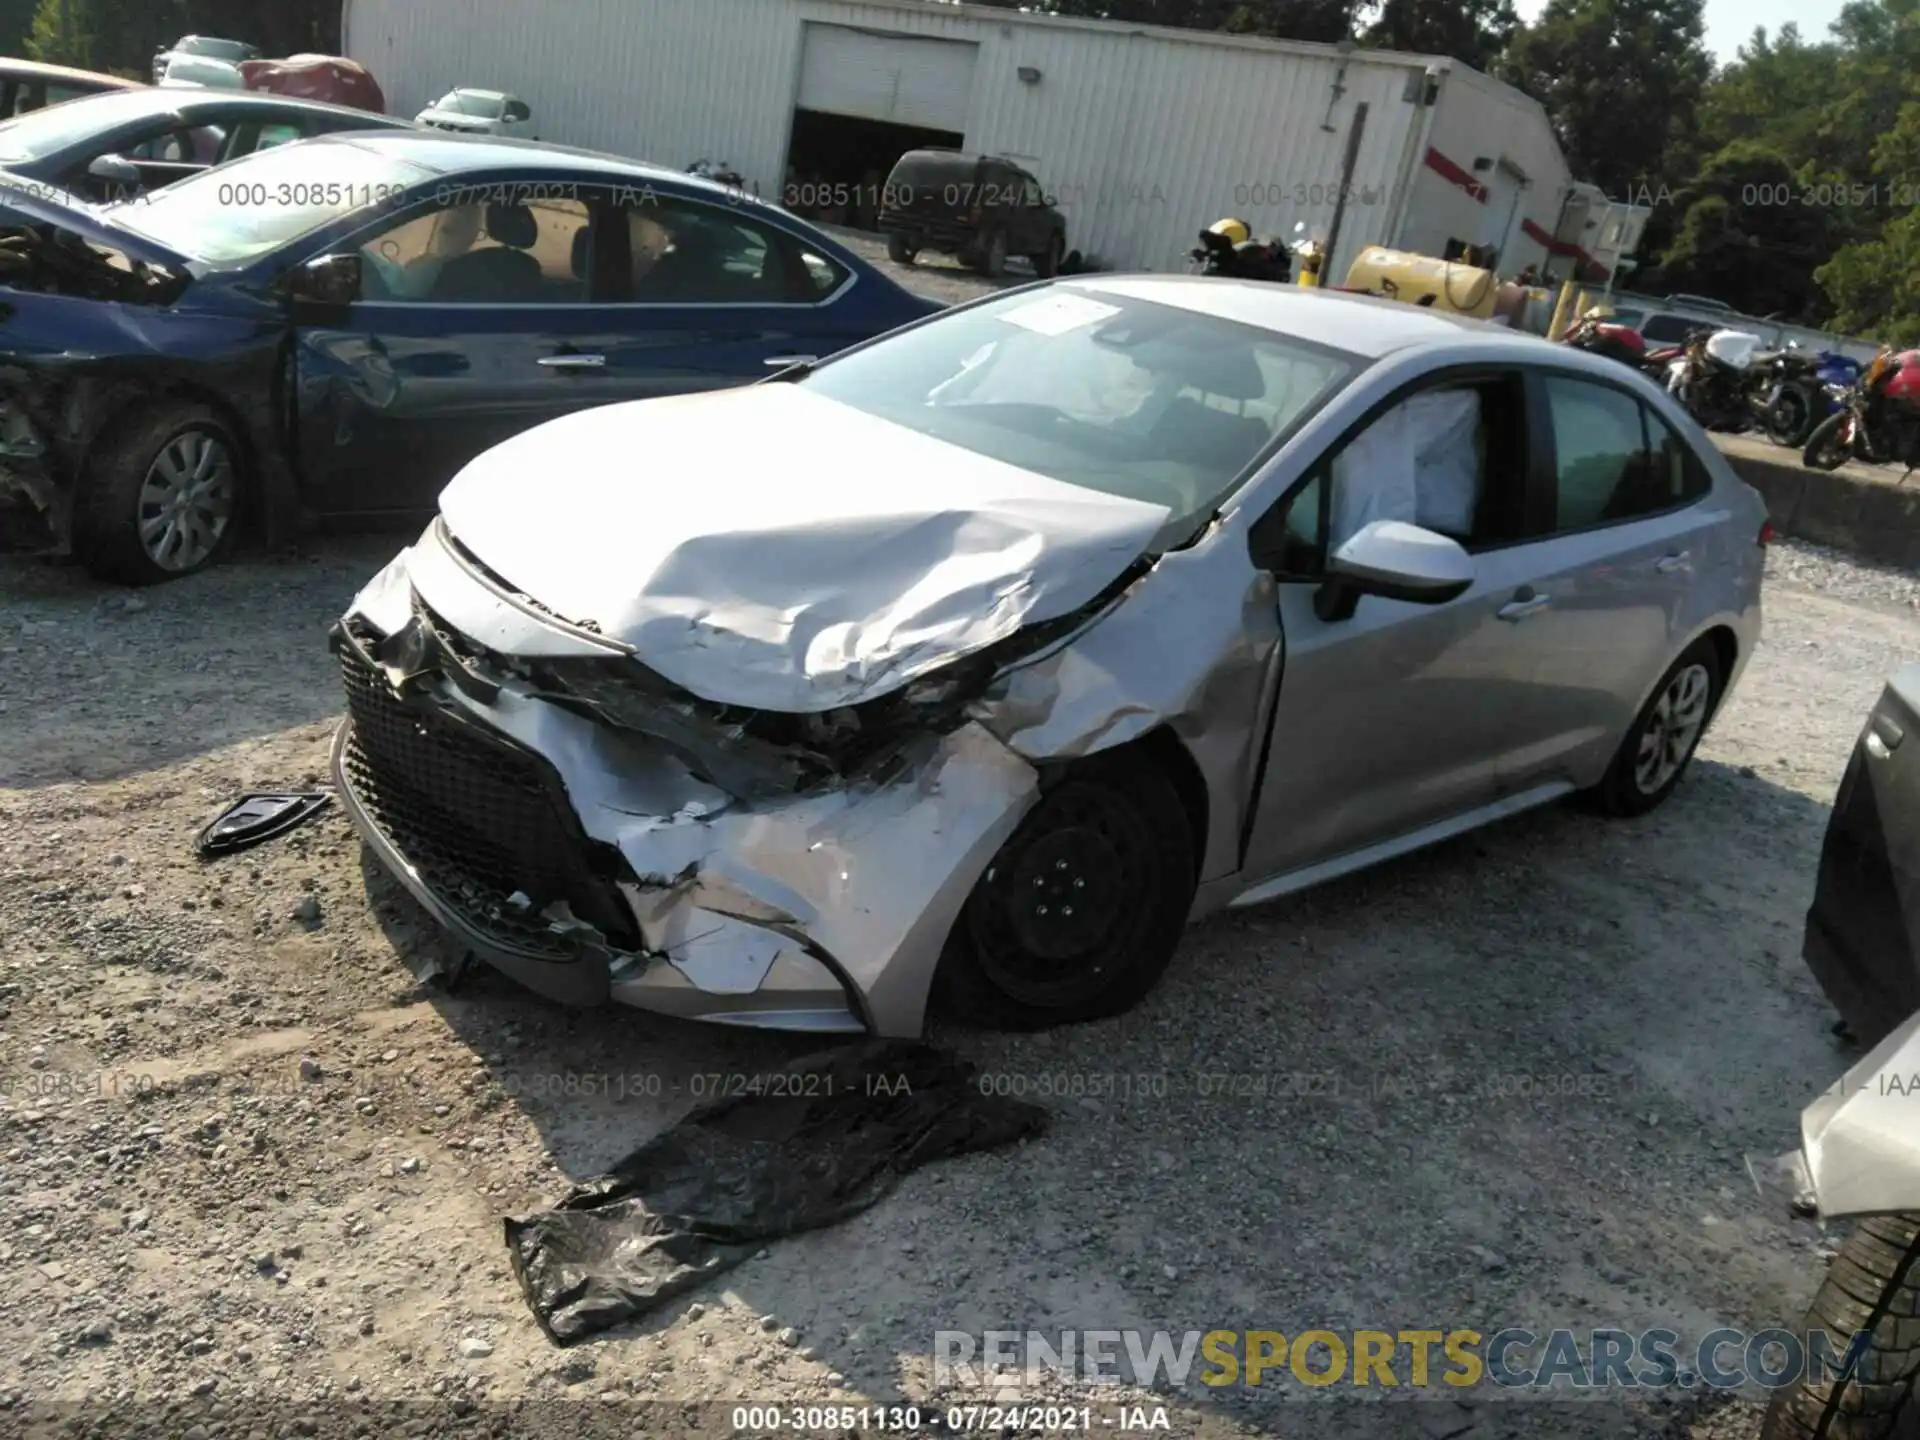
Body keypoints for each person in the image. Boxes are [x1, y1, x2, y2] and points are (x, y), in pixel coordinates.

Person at [361, 204, 484, 300]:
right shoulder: (433, 266)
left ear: (471, 235)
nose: (448, 218)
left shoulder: (440, 271)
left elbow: (400, 295)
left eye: (448, 229)